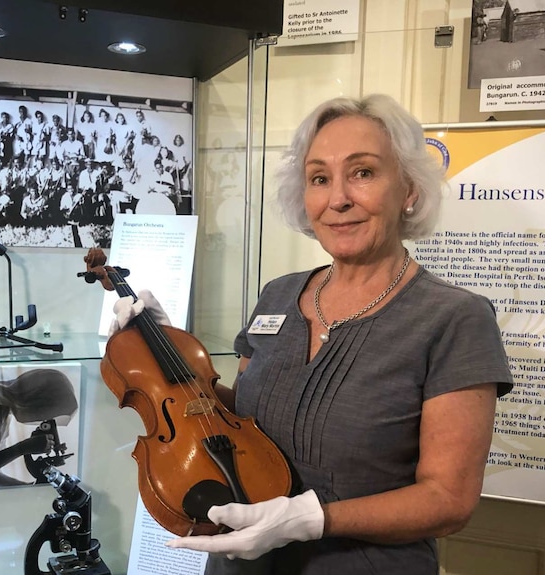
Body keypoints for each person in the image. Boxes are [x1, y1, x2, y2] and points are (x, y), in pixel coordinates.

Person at [110, 94, 513, 574]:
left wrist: (309, 519)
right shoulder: (278, 296)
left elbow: (449, 499)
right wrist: (165, 351)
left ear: (408, 189)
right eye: (319, 178)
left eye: (363, 172)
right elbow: (238, 421)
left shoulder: (454, 319)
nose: (338, 198)